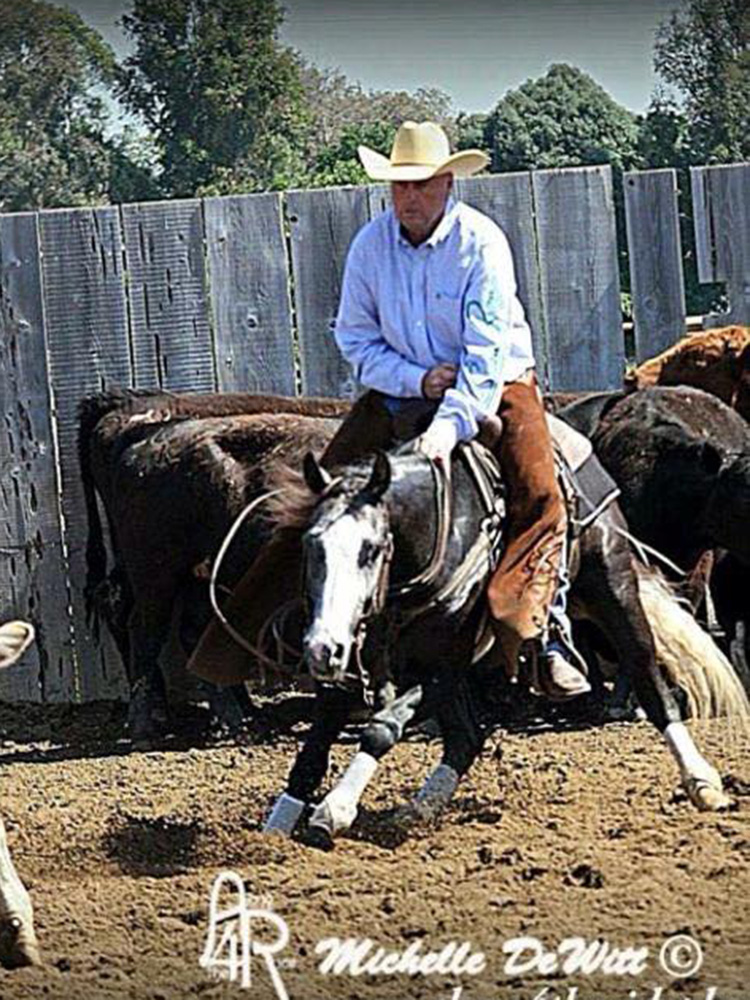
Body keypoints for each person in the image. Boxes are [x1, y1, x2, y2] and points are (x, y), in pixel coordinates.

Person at [189, 120, 589, 699]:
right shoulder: (370, 246)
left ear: (448, 183)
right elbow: (355, 340)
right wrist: (416, 379)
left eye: (421, 184)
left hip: (497, 385)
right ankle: (264, 643)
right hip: (403, 389)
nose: (410, 196)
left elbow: (486, 354)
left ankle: (544, 637)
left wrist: (447, 427)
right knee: (318, 502)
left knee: (540, 493)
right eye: (401, 185)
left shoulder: (481, 243)